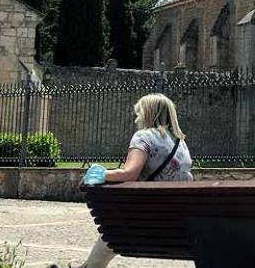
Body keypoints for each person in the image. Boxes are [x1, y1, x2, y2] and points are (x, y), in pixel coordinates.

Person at [83, 92, 193, 267]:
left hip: (143, 221)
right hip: (178, 224)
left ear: (148, 113)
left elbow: (130, 173)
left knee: (112, 230)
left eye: (139, 113)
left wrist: (101, 173)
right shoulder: (181, 143)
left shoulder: (144, 136)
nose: (137, 119)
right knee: (113, 230)